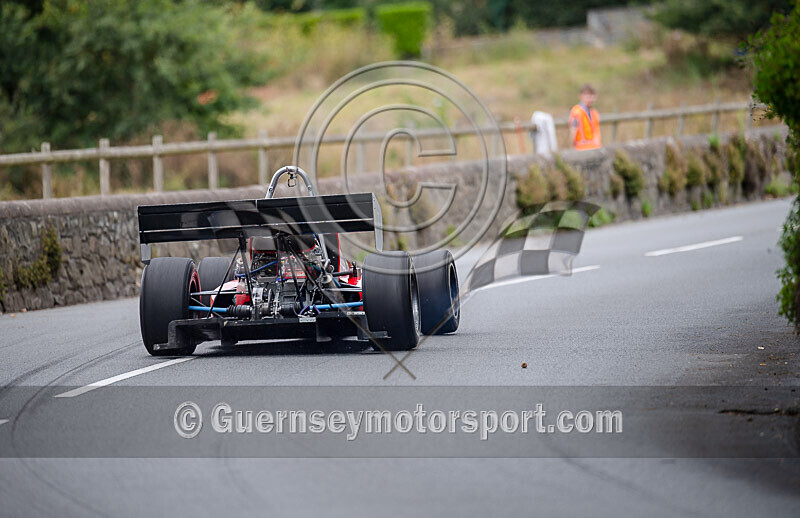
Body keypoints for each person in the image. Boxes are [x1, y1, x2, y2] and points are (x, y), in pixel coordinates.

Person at [569, 84, 601, 150]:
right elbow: (573, 130)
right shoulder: (577, 111)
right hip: (581, 149)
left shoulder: (594, 113)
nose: (591, 99)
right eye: (588, 96)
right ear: (581, 96)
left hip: (595, 148)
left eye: (592, 96)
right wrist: (572, 149)